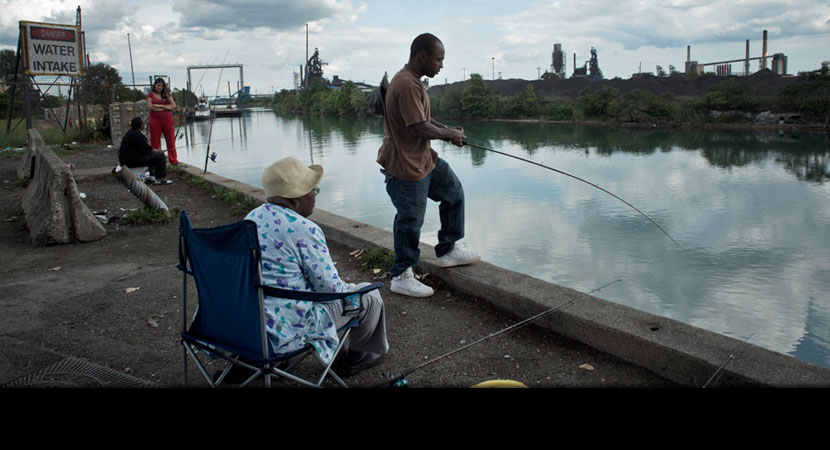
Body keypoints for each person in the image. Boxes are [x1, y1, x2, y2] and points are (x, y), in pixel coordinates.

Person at [245, 157, 389, 377]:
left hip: (244, 322)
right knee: (370, 296)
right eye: (313, 191)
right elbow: (331, 290)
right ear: (296, 200)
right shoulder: (304, 229)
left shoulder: (251, 219)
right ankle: (357, 359)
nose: (314, 197)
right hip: (286, 328)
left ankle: (246, 361)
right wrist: (354, 288)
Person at [377, 33, 480, 298]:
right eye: (439, 59)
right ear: (422, 56)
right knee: (410, 220)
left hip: (424, 159)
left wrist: (447, 129)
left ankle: (448, 249)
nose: (441, 65)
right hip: (405, 164)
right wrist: (449, 136)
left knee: (453, 192)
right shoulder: (407, 85)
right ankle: (402, 275)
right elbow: (419, 126)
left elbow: (424, 118)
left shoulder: (414, 81)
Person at [118, 116, 172, 185]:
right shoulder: (137, 135)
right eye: (143, 123)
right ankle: (160, 179)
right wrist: (159, 151)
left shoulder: (130, 133)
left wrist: (155, 151)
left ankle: (152, 175)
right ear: (141, 125)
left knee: (153, 156)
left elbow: (145, 150)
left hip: (126, 161)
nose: (144, 125)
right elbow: (147, 150)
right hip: (132, 162)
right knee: (160, 156)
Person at [146, 77, 179, 165]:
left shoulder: (167, 95)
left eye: (161, 85)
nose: (160, 87)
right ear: (155, 85)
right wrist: (165, 108)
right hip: (155, 120)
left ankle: (173, 159)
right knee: (155, 140)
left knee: (170, 139)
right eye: (158, 85)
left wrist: (160, 106)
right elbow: (150, 107)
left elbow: (173, 105)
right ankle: (156, 159)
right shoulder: (150, 95)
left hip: (167, 119)